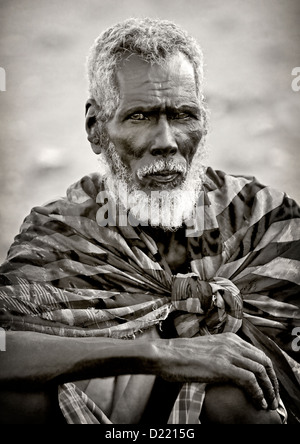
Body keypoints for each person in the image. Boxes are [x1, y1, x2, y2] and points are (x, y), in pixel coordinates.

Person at [0, 17, 299, 425]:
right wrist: (161, 355)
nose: (166, 142)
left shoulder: (261, 221)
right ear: (96, 128)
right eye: (139, 116)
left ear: (204, 122)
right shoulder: (62, 231)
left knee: (243, 398)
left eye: (183, 115)